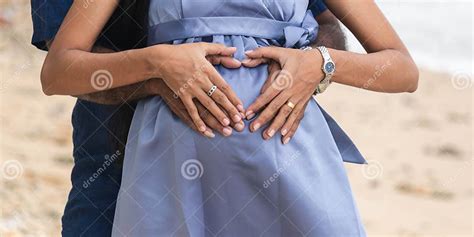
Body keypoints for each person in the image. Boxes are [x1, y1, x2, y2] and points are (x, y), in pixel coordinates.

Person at [31, 0, 348, 236]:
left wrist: (318, 63)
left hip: (285, 164)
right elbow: (61, 65)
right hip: (123, 153)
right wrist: (156, 70)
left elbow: (330, 28)